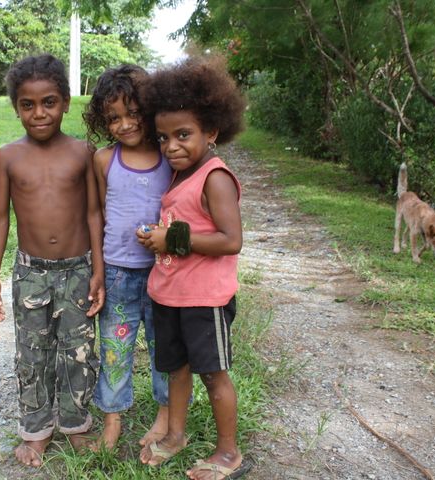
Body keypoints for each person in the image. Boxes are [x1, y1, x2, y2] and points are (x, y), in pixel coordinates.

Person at [0, 54, 105, 467]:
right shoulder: (7, 157)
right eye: (28, 105)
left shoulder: (82, 152)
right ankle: (35, 431)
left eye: (49, 102)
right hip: (31, 272)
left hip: (77, 269)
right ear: (16, 107)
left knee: (79, 350)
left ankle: (76, 424)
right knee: (31, 353)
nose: (39, 113)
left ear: (66, 102)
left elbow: (93, 214)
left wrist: (98, 272)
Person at [136, 58, 252, 480]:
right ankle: (175, 435)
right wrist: (157, 235)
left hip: (205, 300)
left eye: (183, 135)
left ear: (212, 131)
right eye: (164, 137)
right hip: (169, 294)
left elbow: (230, 239)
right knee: (175, 370)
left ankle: (227, 452)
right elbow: (179, 224)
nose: (171, 146)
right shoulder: (179, 174)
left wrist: (172, 239)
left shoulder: (215, 177)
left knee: (213, 374)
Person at [82, 65, 170, 451]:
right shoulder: (104, 160)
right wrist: (99, 271)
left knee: (164, 346)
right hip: (118, 273)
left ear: (149, 110)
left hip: (165, 273)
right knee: (115, 349)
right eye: (113, 118)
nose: (125, 124)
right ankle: (112, 420)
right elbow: (97, 215)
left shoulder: (170, 156)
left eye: (133, 113)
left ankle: (165, 416)